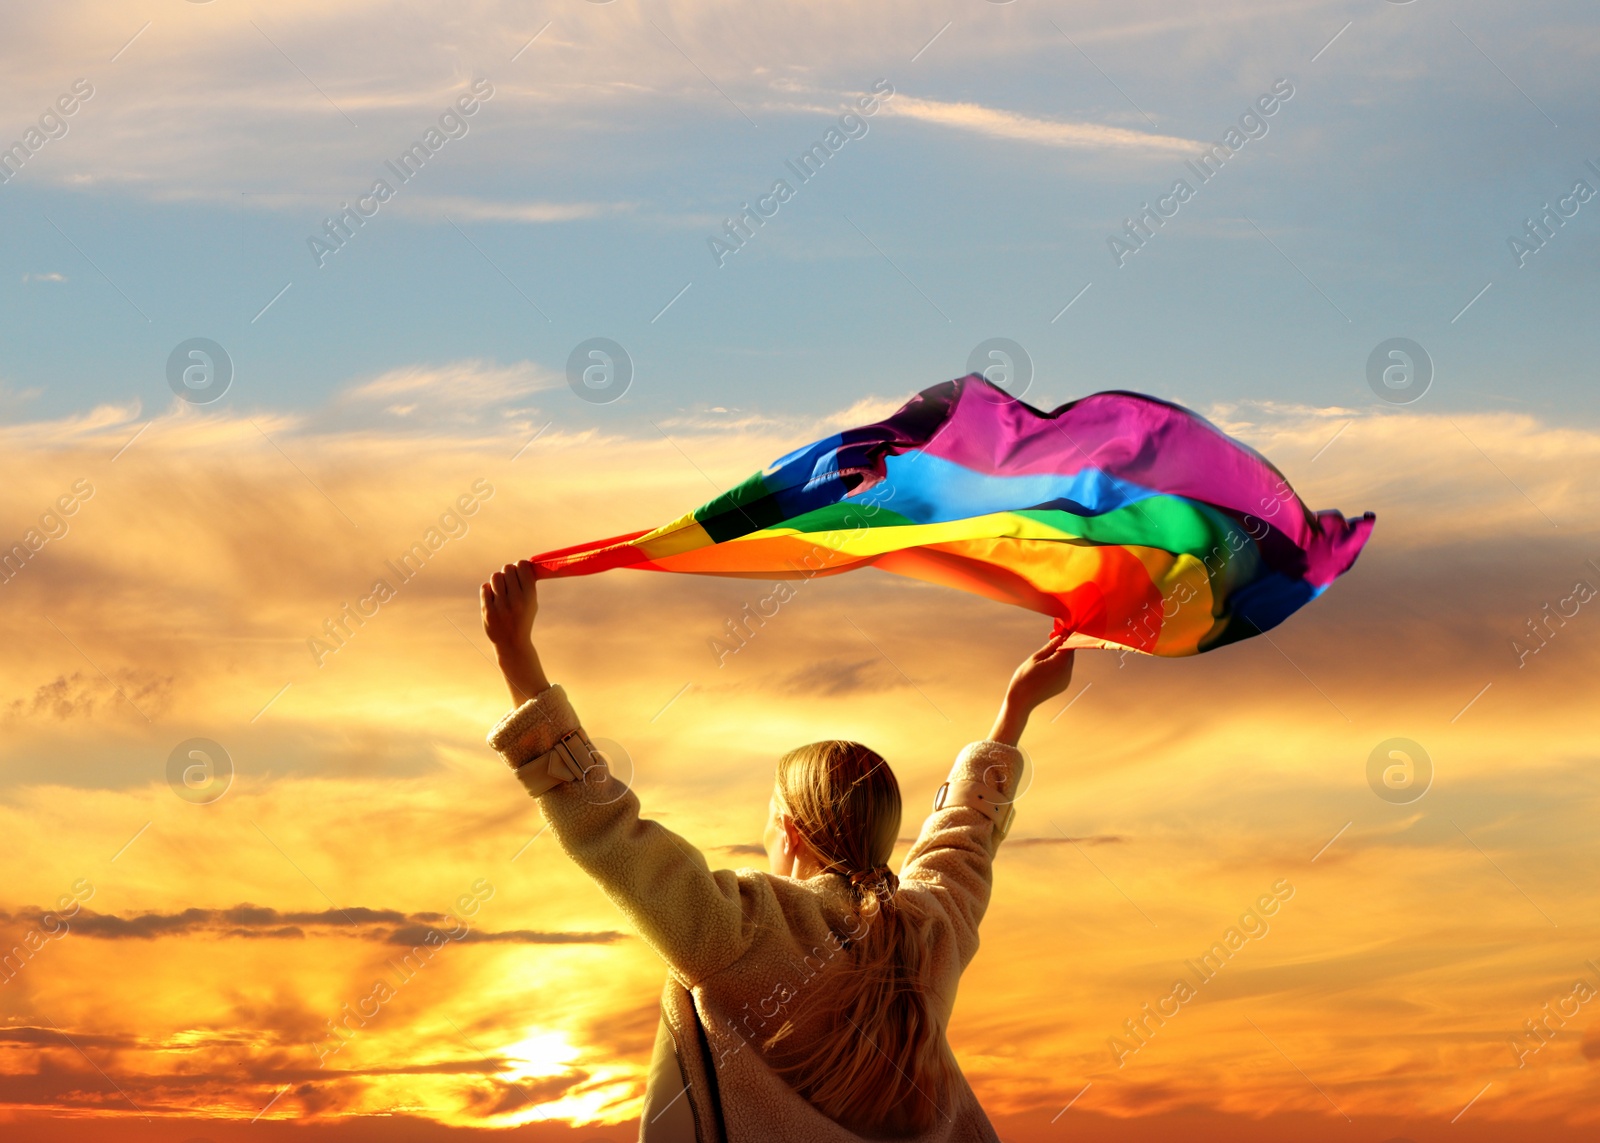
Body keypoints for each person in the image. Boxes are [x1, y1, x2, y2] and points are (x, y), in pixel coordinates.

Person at [481, 560, 1076, 1142]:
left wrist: (515, 657)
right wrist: (1015, 710)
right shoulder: (928, 932)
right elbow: (965, 835)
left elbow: (605, 825)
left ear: (789, 830)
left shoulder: (738, 929)